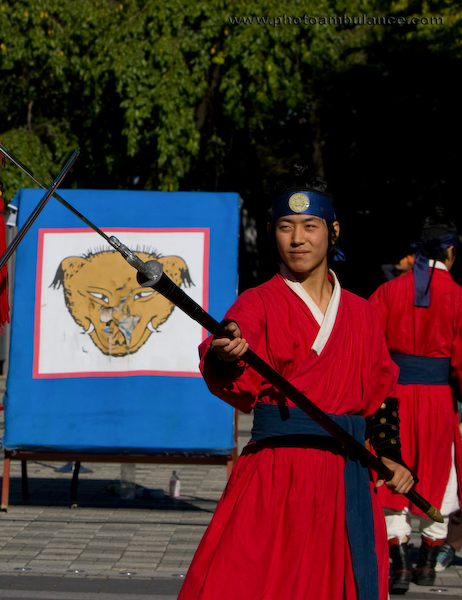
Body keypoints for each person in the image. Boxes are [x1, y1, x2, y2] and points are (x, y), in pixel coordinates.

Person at [177, 165, 414, 600]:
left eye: (310, 226)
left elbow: (381, 396)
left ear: (333, 230)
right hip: (276, 476)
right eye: (286, 227)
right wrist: (224, 353)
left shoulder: (363, 313)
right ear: (273, 232)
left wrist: (393, 457)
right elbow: (227, 349)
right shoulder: (258, 302)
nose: (298, 239)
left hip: (346, 479)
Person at [368, 208, 462, 592]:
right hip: (439, 399)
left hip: (394, 397)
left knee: (393, 471)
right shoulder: (457, 296)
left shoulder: (388, 292)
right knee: (440, 474)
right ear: (451, 252)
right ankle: (427, 562)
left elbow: (369, 349)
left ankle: (400, 563)